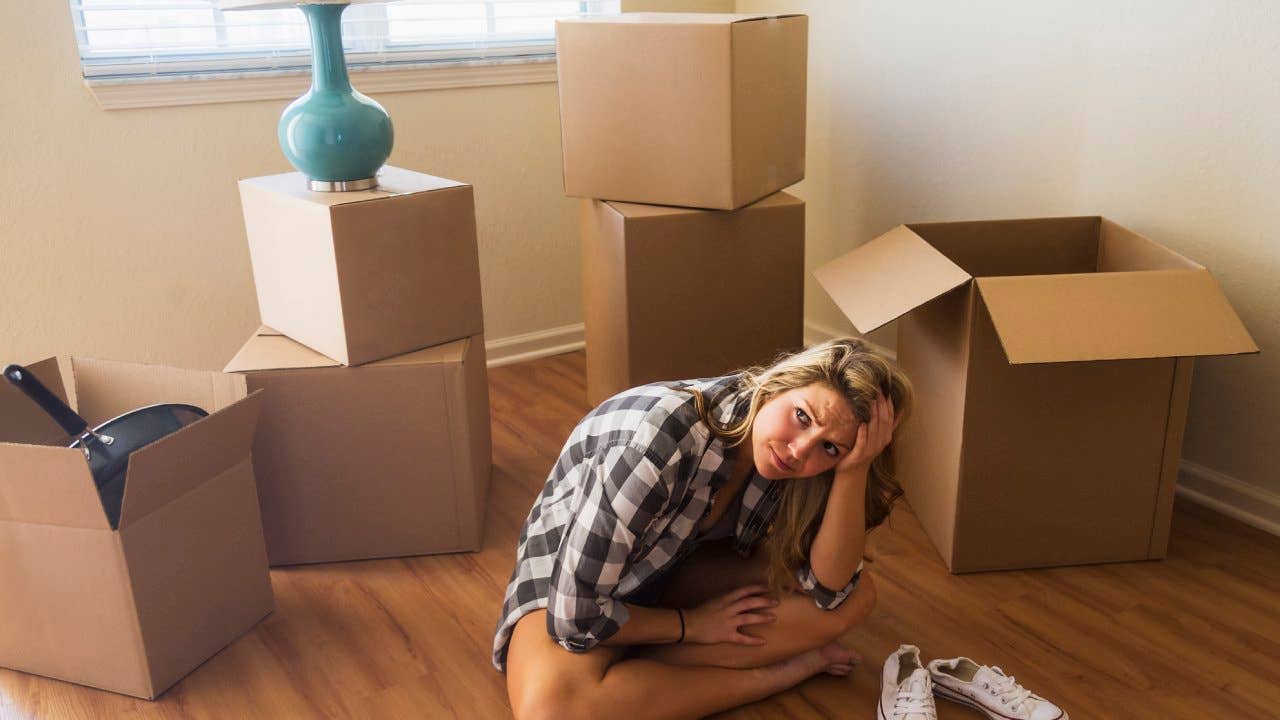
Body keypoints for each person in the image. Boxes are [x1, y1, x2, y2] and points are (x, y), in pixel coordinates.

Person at [493, 338, 914, 720]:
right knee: (553, 711)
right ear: (778, 384)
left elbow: (830, 585)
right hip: (574, 585)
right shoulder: (658, 440)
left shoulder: (805, 462)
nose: (799, 450)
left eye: (829, 447)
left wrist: (852, 468)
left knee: (854, 597)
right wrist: (690, 626)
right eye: (802, 416)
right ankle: (775, 673)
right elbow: (574, 618)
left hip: (673, 565)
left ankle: (632, 674)